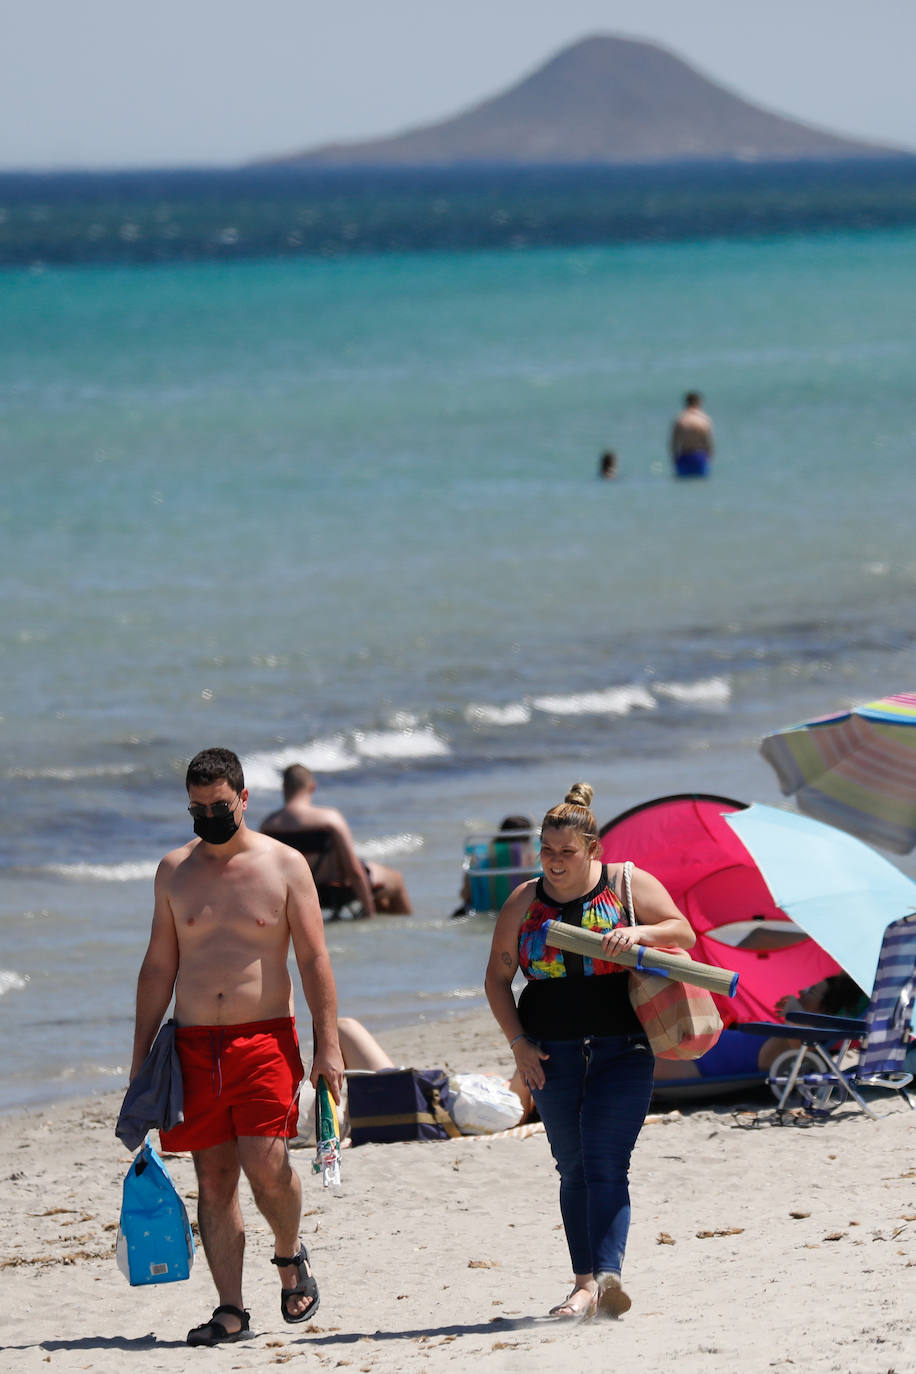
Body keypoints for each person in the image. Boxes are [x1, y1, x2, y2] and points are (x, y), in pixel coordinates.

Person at [129, 747, 345, 1347]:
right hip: (193, 1045)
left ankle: (288, 1256)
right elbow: (157, 967)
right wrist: (141, 1057)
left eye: (218, 806)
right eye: (196, 808)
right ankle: (231, 1310)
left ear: (244, 800)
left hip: (264, 1039)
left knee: (267, 1167)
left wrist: (328, 1045)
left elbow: (313, 958)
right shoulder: (174, 871)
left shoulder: (284, 866)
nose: (207, 817)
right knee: (215, 1179)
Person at [485, 782, 695, 1321]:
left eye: (567, 852)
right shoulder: (525, 901)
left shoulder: (625, 883)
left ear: (592, 850)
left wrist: (638, 933)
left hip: (623, 1047)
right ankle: (584, 1283)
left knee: (607, 1162)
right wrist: (519, 1047)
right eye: (547, 851)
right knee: (572, 1167)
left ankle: (607, 1276)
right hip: (549, 1055)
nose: (555, 863)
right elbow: (497, 981)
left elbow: (684, 932)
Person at [652, 972, 869, 1083]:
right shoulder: (801, 1036)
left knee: (632, 1065)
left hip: (698, 1065)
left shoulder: (806, 1043)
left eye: (811, 993)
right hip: (697, 1051)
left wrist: (793, 1017)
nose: (803, 992)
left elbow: (797, 1054)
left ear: (824, 1012)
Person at [260, 763, 412, 916]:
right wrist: (368, 912)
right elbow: (354, 871)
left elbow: (267, 875)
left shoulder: (268, 825)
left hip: (299, 893)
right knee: (396, 880)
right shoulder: (329, 819)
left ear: (284, 788)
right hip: (337, 891)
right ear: (312, 787)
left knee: (380, 898)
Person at [451, 813, 537, 918]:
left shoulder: (480, 858)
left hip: (483, 911)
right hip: (518, 913)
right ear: (527, 838)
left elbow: (465, 894)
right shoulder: (533, 861)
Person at [670, 391, 714, 478]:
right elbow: (709, 442)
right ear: (699, 402)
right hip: (700, 456)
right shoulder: (704, 419)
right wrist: (709, 458)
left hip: (684, 456)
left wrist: (675, 459)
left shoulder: (680, 419)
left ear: (686, 402)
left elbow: (674, 443)